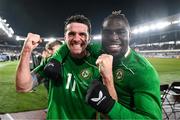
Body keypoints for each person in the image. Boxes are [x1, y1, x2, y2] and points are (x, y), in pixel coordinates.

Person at [16, 15, 101, 119]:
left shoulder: (98, 65)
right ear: (64, 37)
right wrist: (26, 50)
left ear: (89, 38)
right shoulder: (54, 61)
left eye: (82, 34)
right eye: (71, 34)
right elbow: (23, 87)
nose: (76, 39)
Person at [86, 11, 162, 119]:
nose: (113, 37)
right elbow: (76, 44)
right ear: (102, 35)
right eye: (108, 32)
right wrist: (56, 59)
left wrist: (109, 106)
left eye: (120, 32)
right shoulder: (100, 51)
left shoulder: (143, 71)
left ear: (129, 35)